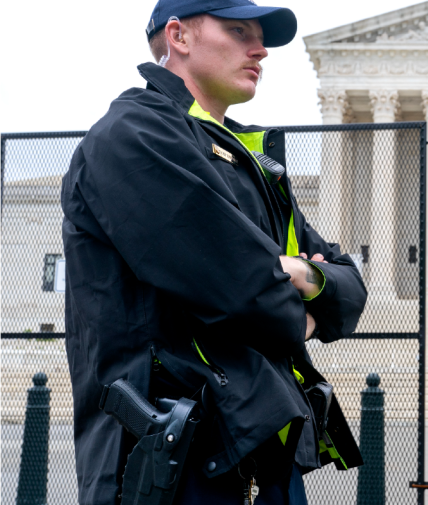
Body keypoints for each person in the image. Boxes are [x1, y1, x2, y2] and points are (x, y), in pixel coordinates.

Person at [61, 1, 367, 504]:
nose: (261, 49)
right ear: (179, 37)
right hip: (171, 458)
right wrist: (299, 310)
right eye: (238, 30)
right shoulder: (132, 137)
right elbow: (243, 291)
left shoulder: (251, 161)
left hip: (261, 447)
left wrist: (309, 280)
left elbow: (350, 286)